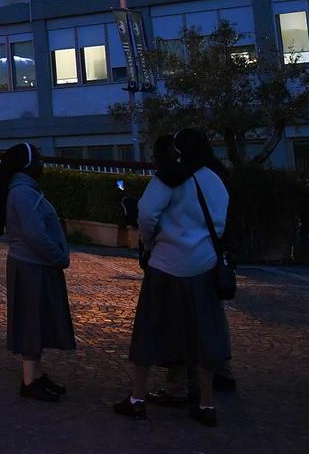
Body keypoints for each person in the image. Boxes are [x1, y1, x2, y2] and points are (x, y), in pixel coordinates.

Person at [116, 128, 231, 428]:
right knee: (204, 334)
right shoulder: (214, 180)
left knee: (150, 330)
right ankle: (206, 403)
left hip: (165, 264)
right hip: (204, 266)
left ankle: (137, 399)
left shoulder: (167, 179)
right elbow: (219, 225)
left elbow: (145, 214)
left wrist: (150, 244)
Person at [0, 143, 75, 402]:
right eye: (39, 160)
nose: (42, 165)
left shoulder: (26, 191)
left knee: (38, 320)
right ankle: (29, 380)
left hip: (36, 264)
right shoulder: (23, 193)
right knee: (32, 321)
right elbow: (35, 234)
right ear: (27, 164)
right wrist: (58, 256)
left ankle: (36, 374)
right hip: (32, 265)